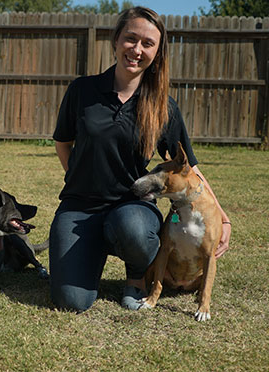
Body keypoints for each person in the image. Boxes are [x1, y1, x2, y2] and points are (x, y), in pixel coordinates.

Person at [49, 7, 232, 313]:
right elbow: (62, 143)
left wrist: (222, 217)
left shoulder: (163, 107)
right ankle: (92, 250)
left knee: (134, 229)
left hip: (132, 208)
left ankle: (136, 278)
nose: (136, 49)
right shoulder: (82, 90)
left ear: (157, 53)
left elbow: (190, 168)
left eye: (148, 43)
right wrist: (77, 177)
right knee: (71, 302)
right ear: (116, 40)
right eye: (130, 39)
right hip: (80, 208)